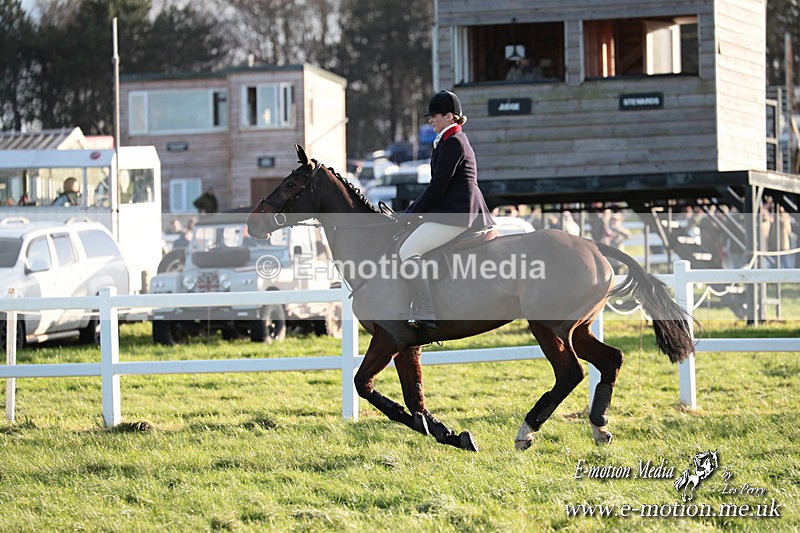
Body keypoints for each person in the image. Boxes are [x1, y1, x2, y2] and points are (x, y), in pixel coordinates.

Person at [397, 89, 494, 329]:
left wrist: (410, 214)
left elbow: (438, 186)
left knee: (408, 250)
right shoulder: (450, 140)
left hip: (457, 212)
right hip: (454, 208)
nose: (430, 120)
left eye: (434, 116)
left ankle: (426, 310)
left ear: (449, 116)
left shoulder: (453, 143)